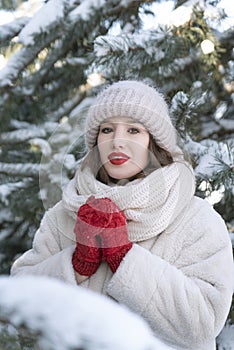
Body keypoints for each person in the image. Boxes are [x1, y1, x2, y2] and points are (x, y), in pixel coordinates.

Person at [11, 80, 234, 349]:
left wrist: (124, 258)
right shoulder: (64, 215)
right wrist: (76, 264)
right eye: (107, 130)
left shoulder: (196, 218)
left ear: (155, 143)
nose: (118, 141)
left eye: (133, 130)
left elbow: (203, 323)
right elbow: (17, 308)